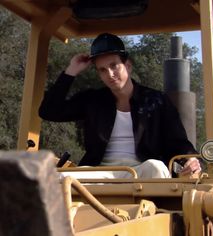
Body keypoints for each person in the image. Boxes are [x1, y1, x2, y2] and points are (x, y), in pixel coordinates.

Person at [39, 33, 201, 178]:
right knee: (61, 178)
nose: (109, 74)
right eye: (102, 70)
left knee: (156, 167)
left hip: (140, 172)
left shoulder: (156, 100)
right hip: (99, 173)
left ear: (127, 66)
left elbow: (177, 140)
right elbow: (49, 111)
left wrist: (189, 159)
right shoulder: (92, 100)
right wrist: (71, 71)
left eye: (114, 65)